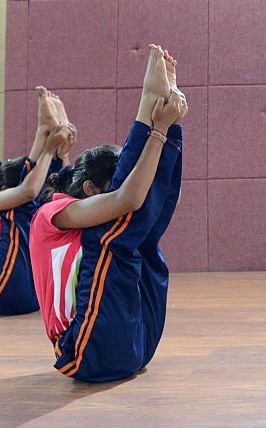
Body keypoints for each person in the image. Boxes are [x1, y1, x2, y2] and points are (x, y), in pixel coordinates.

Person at [30, 45, 186, 382]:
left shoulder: (78, 212)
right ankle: (148, 106)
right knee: (115, 231)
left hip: (134, 343)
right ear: (89, 189)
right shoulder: (51, 214)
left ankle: (155, 109)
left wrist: (171, 129)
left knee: (144, 233)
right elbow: (127, 199)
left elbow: (154, 205)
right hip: (86, 352)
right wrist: (155, 126)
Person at [0, 87, 74, 315]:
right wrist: (47, 148)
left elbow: (60, 194)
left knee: (50, 202)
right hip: (1, 290)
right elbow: (26, 192)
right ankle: (45, 132)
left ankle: (49, 133)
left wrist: (62, 154)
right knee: (25, 205)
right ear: (3, 186)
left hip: (33, 293)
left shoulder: (12, 208)